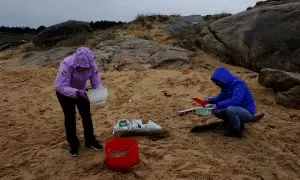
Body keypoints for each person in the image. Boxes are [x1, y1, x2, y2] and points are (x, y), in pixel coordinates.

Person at [54, 47, 103, 156]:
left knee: (86, 115)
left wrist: (99, 92)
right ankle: (73, 143)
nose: (84, 70)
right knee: (70, 116)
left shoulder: (92, 65)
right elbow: (60, 86)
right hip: (64, 93)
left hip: (81, 91)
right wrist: (77, 93)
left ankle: (90, 141)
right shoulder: (67, 64)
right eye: (81, 68)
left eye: (86, 68)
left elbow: (96, 81)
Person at [205, 67, 256, 138]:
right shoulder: (225, 86)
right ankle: (234, 123)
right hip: (237, 109)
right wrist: (209, 100)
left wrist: (219, 104)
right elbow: (221, 97)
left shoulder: (238, 84)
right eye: (215, 82)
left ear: (223, 78)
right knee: (216, 111)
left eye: (217, 82)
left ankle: (236, 130)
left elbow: (236, 100)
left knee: (230, 109)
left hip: (247, 112)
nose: (216, 84)